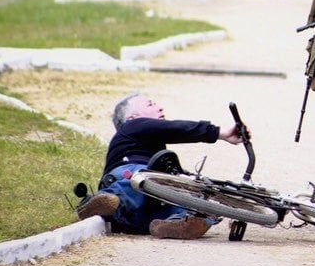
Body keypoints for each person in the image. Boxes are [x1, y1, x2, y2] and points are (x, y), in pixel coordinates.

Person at [75, 93, 246, 239]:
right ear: (132, 118)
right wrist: (218, 133)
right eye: (151, 104)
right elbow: (175, 129)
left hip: (140, 214)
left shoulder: (154, 146)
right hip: (129, 174)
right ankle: (102, 201)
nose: (160, 108)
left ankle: (181, 222)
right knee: (135, 180)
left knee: (190, 198)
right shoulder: (131, 127)